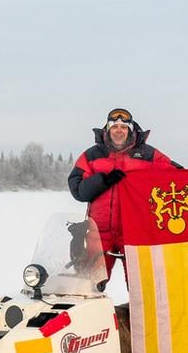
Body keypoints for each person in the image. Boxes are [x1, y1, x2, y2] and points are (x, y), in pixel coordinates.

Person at [67, 108, 180, 281]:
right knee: (90, 284)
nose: (119, 130)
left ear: (130, 130)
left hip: (135, 231)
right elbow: (78, 190)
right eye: (114, 126)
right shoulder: (91, 155)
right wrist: (103, 180)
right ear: (107, 129)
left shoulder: (148, 155)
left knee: (141, 285)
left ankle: (141, 309)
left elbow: (177, 175)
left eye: (123, 127)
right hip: (99, 232)